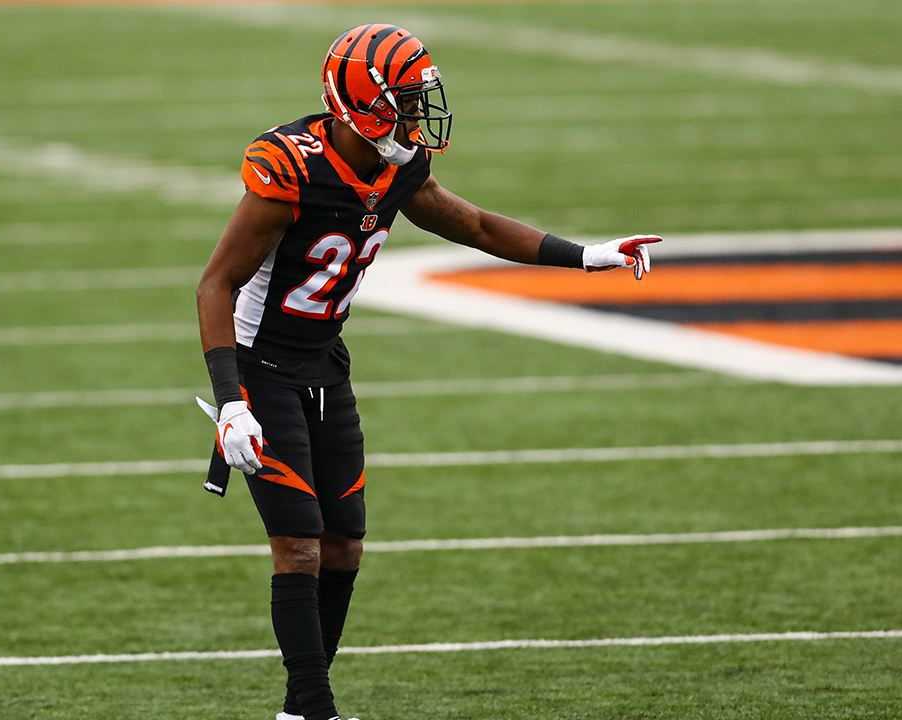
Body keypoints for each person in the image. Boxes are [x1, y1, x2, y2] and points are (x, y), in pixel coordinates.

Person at [195, 23, 661, 720]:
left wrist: (587, 255)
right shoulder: (290, 168)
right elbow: (215, 285)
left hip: (326, 363)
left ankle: (298, 711)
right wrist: (231, 402)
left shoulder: (394, 161)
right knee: (297, 544)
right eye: (404, 100)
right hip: (262, 370)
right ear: (359, 102)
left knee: (345, 543)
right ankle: (315, 711)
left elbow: (469, 224)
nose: (416, 115)